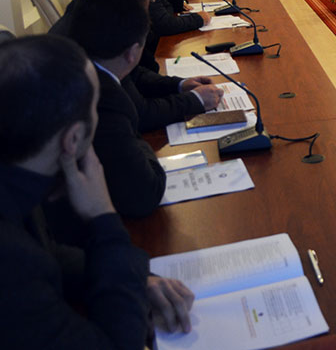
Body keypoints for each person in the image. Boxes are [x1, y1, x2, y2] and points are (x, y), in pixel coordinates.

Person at [0, 35, 194, 347]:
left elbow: (49, 255)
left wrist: (132, 277)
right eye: (95, 108)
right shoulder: (12, 263)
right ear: (73, 139)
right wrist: (104, 217)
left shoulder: (20, 171)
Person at [50, 0, 222, 130]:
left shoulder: (94, 16)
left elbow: (134, 75)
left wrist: (179, 85)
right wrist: (195, 100)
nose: (150, 4)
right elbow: (140, 113)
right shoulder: (92, 35)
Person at [68, 0, 167, 218]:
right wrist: (139, 140)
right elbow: (146, 192)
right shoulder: (106, 99)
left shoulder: (76, 64)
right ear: (132, 53)